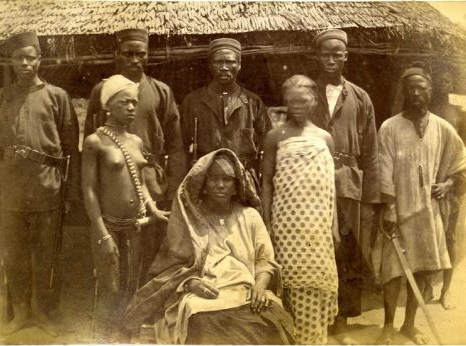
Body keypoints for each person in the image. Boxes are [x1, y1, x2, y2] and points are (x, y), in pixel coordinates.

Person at [122, 149, 294, 344]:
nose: (220, 185)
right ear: (203, 184)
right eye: (213, 179)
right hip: (205, 295)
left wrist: (260, 287)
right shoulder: (190, 219)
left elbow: (265, 260)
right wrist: (192, 283)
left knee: (274, 321)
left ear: (236, 187)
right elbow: (170, 267)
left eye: (226, 179)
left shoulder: (250, 216)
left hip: (245, 291)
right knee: (202, 322)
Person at [0, 31, 80, 336]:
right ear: (11, 60)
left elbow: (72, 150)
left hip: (48, 190)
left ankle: (44, 313)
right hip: (9, 192)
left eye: (30, 57)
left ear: (40, 59)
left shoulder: (57, 97)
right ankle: (21, 312)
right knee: (15, 254)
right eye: (19, 57)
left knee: (47, 255)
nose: (25, 63)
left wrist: (70, 193)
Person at [83, 28, 187, 284]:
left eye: (140, 54)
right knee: (113, 261)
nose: (134, 60)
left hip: (150, 183)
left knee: (148, 253)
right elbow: (90, 138)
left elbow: (175, 144)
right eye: (128, 54)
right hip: (112, 184)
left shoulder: (161, 91)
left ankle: (142, 311)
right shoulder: (103, 90)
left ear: (147, 55)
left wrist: (174, 188)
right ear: (117, 55)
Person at [376, 66, 466, 344]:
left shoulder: (443, 128)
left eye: (422, 88)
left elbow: (463, 162)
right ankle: (387, 326)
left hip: (428, 212)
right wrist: (390, 207)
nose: (416, 93)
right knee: (394, 270)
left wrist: (450, 185)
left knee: (421, 269)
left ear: (430, 92)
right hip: (399, 210)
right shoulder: (389, 127)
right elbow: (383, 167)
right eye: (411, 88)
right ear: (403, 92)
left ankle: (409, 325)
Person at [82, 74, 169, 341]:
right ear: (108, 105)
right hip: (108, 226)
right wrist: (102, 233)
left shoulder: (136, 142)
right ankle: (106, 336)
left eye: (134, 102)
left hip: (135, 226)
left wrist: (154, 210)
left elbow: (140, 182)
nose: (132, 107)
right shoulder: (95, 142)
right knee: (110, 286)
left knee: (131, 285)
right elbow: (88, 189)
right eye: (124, 102)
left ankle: (125, 334)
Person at [310, 28, 381, 342]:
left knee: (347, 250)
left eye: (337, 54)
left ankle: (342, 321)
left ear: (346, 57)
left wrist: (372, 198)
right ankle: (316, 318)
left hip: (349, 184)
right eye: (325, 53)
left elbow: (371, 151)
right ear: (317, 56)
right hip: (312, 183)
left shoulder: (360, 96)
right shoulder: (307, 93)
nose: (331, 59)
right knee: (316, 248)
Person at [262, 75, 339, 344]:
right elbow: (267, 182)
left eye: (303, 100)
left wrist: (335, 225)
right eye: (291, 101)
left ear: (314, 101)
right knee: (288, 285)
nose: (296, 106)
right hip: (286, 224)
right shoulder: (274, 137)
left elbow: (331, 187)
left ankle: (314, 341)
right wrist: (267, 221)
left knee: (316, 284)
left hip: (317, 225)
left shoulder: (325, 138)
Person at [180, 38, 272, 190]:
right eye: (218, 62)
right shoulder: (192, 102)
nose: (224, 67)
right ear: (210, 65)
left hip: (244, 180)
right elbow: (180, 146)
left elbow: (267, 144)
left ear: (239, 65)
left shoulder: (253, 102)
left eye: (230, 62)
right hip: (205, 181)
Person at [424, 70, 466, 309]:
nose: (444, 82)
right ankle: (427, 287)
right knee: (428, 235)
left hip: (452, 186)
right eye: (440, 80)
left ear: (453, 82)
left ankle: (446, 290)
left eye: (448, 79)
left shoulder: (461, 115)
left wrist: (451, 183)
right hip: (428, 185)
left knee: (450, 238)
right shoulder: (423, 116)